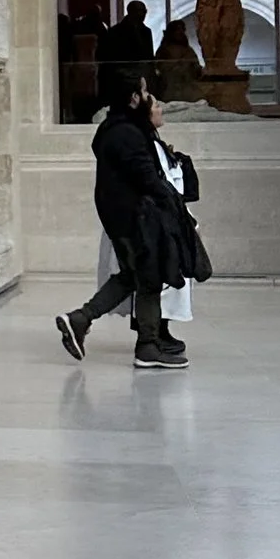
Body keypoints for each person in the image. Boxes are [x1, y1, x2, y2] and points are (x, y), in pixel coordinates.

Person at [56, 77, 202, 369]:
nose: (150, 97)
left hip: (124, 218)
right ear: (134, 98)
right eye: (145, 92)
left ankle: (80, 319)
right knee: (148, 279)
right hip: (136, 219)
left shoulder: (113, 130)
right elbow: (146, 177)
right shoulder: (127, 134)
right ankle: (147, 346)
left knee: (132, 276)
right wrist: (174, 205)